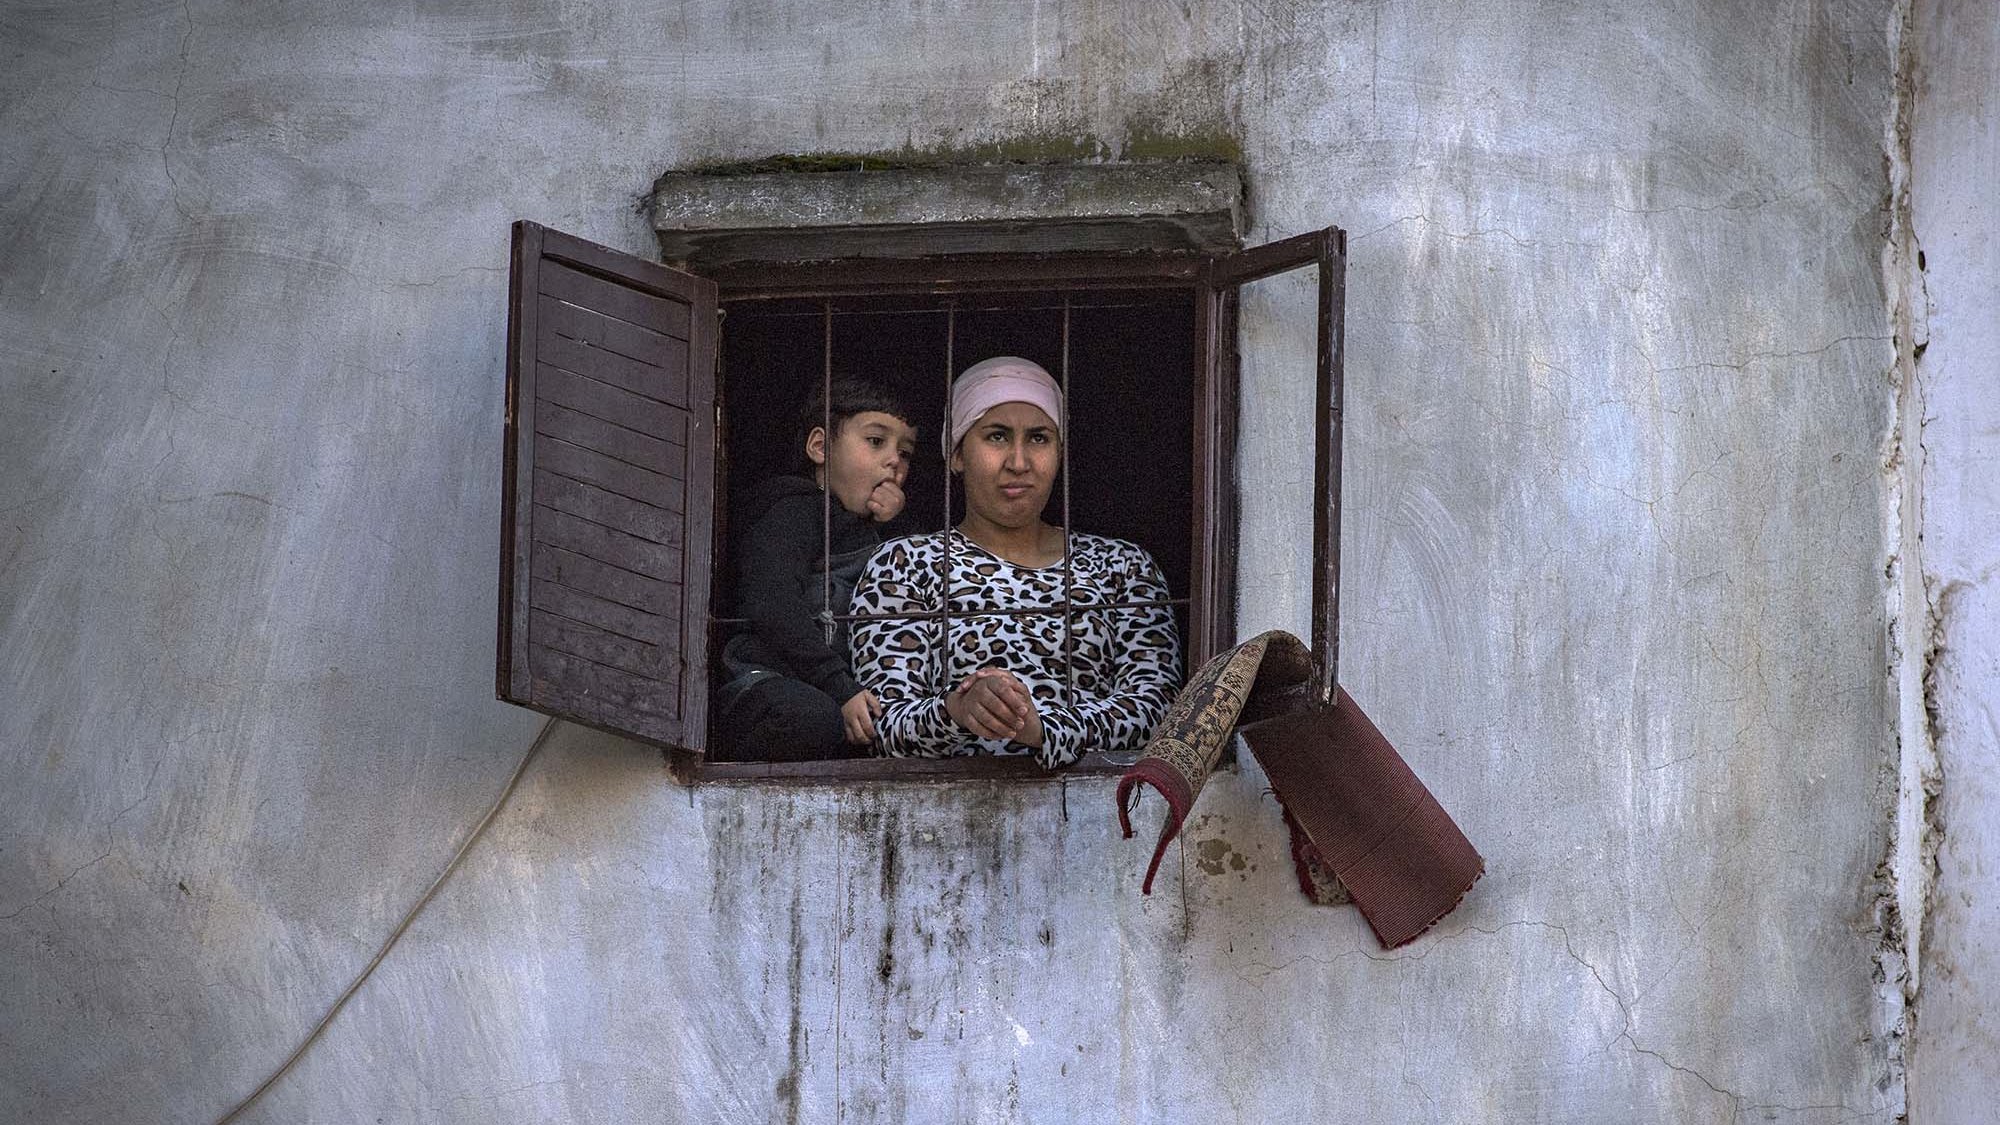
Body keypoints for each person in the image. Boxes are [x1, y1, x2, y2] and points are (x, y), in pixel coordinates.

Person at [849, 356, 1181, 769]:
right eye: (997, 437)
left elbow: (1160, 711)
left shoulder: (1123, 567)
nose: (1019, 462)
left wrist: (1042, 728)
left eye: (1039, 438)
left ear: (1060, 453)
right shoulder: (905, 564)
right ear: (956, 454)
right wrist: (957, 710)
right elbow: (880, 727)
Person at [712, 376, 918, 761]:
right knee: (815, 720)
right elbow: (771, 603)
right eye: (876, 441)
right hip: (762, 681)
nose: (894, 460)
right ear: (820, 446)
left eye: (905, 453)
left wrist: (894, 528)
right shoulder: (794, 510)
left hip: (834, 691)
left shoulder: (883, 537)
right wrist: (840, 687)